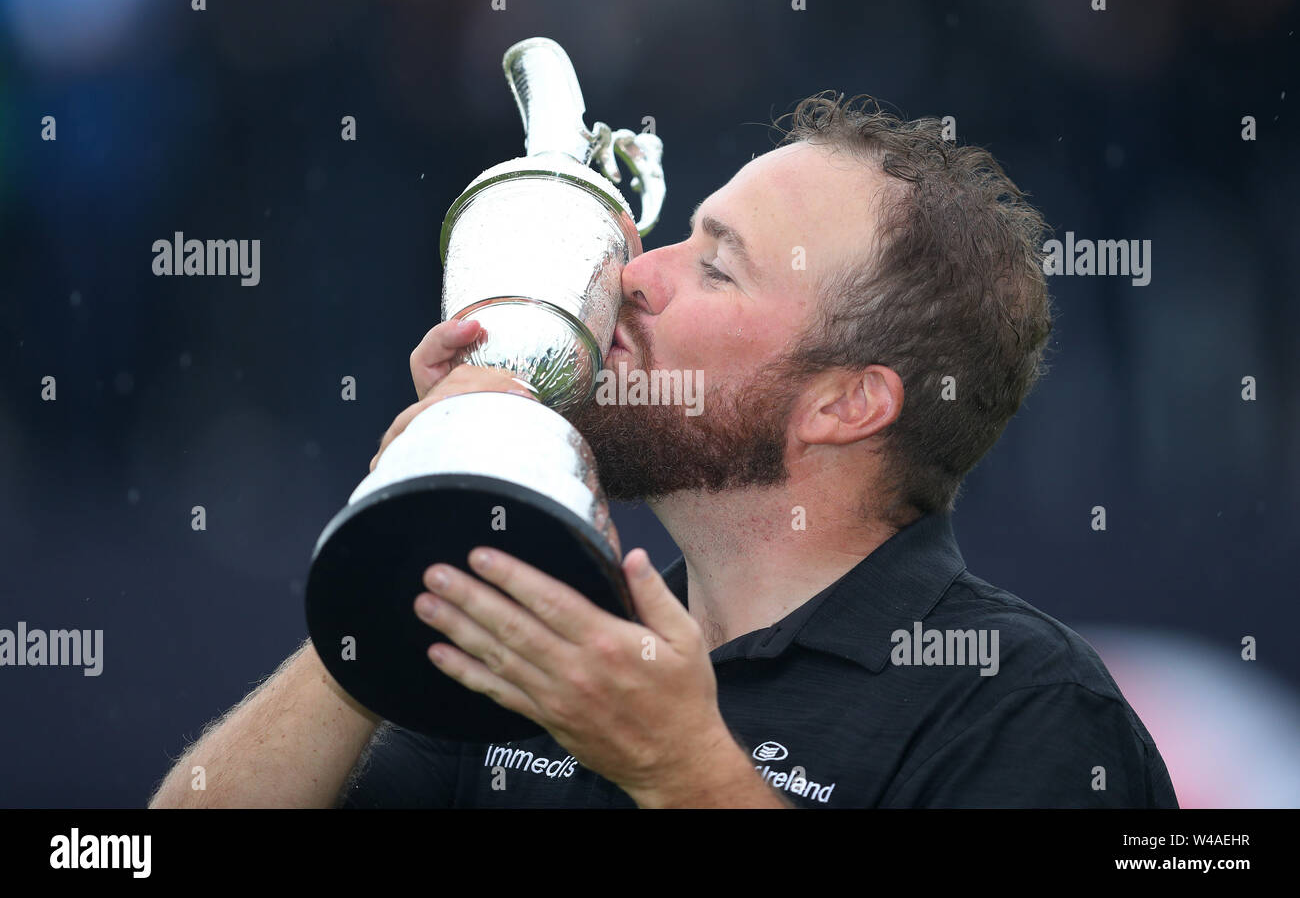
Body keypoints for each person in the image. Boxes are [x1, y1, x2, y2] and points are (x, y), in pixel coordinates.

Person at [148, 93, 1177, 809]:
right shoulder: (534, 629)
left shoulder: (1023, 705)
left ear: (845, 403)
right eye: (681, 232)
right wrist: (420, 512)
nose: (634, 274)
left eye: (717, 267)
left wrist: (682, 771)